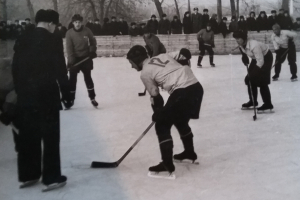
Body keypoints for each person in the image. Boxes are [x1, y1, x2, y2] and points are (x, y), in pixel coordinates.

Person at [12, 9, 71, 192]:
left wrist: (21, 92)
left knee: (29, 135)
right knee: (50, 136)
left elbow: (15, 67)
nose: (56, 28)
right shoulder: (52, 39)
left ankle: (30, 174)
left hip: (26, 95)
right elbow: (60, 69)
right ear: (50, 24)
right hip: (46, 94)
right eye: (55, 25)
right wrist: (67, 94)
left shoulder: (23, 38)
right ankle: (52, 177)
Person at [126, 45, 203, 179]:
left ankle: (167, 165)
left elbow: (155, 94)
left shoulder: (144, 73)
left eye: (131, 63)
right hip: (196, 87)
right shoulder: (161, 56)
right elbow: (183, 53)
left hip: (182, 91)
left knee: (162, 124)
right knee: (180, 120)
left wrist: (157, 113)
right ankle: (189, 153)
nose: (132, 67)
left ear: (137, 60)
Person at [233, 31, 274, 112]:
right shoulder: (241, 44)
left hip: (266, 58)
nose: (237, 40)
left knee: (262, 81)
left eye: (238, 38)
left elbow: (260, 62)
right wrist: (244, 58)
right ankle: (253, 101)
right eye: (236, 39)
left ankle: (268, 104)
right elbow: (243, 52)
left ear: (244, 38)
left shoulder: (254, 45)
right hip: (256, 59)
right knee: (249, 80)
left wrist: (253, 74)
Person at [65, 14, 98, 107]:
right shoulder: (69, 33)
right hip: (74, 59)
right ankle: (70, 100)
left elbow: (93, 41)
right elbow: (69, 48)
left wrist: (92, 51)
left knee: (88, 77)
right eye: (76, 22)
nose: (78, 24)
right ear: (73, 23)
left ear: (81, 22)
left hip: (86, 57)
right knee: (72, 80)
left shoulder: (87, 30)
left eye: (79, 22)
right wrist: (72, 61)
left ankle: (93, 98)